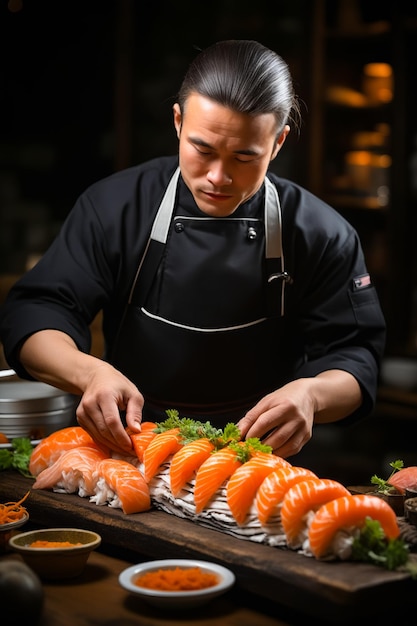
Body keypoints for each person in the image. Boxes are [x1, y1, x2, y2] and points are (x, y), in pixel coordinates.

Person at [0, 40, 386, 459]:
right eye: (202, 149)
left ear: (277, 143)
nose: (218, 177)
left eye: (244, 156)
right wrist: (90, 373)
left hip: (257, 457)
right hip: (130, 444)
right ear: (178, 121)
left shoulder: (321, 233)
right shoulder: (114, 207)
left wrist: (312, 394)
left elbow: (356, 355)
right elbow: (36, 313)